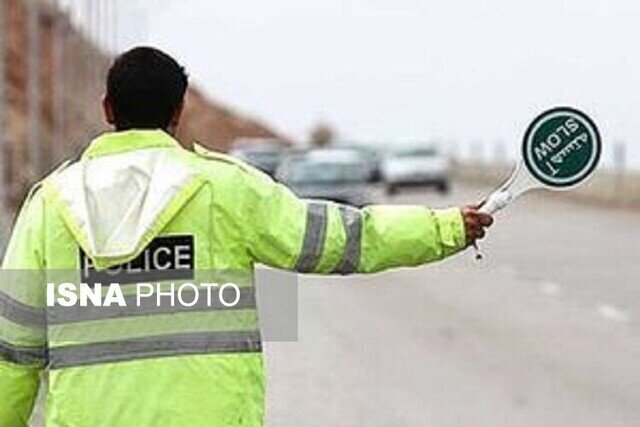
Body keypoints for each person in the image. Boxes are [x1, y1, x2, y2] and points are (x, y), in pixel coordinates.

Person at [0, 47, 492, 426]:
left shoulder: (50, 205)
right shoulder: (223, 189)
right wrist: (446, 228)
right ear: (178, 111)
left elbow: (13, 352)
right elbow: (344, 239)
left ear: (108, 109)